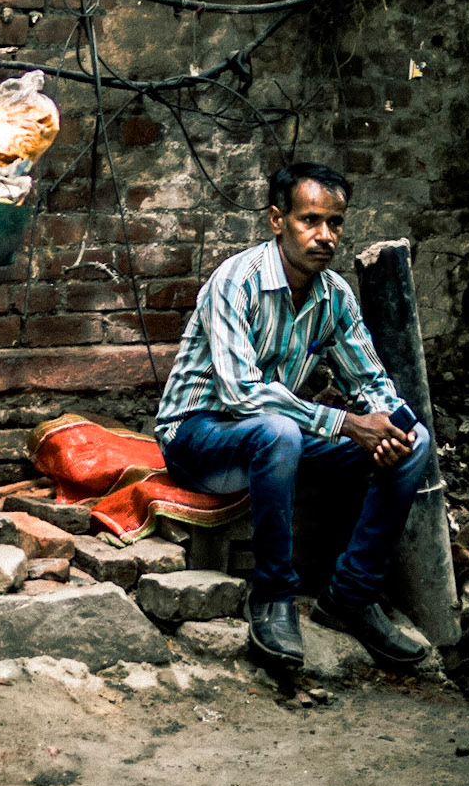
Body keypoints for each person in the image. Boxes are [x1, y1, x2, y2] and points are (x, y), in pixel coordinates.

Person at [154, 161, 431, 673]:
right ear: (278, 220)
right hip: (198, 438)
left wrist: (386, 424)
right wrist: (348, 424)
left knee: (415, 441)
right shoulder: (236, 282)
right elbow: (242, 395)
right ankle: (273, 597)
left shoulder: (334, 295)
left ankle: (350, 597)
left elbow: (368, 380)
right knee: (278, 430)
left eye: (336, 223)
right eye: (310, 220)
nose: (325, 236)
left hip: (278, 441)